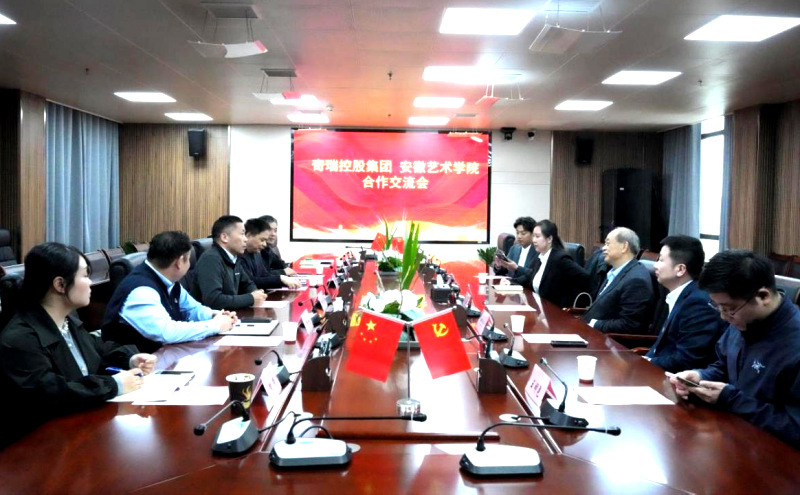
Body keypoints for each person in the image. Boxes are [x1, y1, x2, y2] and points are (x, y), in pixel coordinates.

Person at [0, 243, 156, 447]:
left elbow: (98, 349)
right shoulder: (20, 339)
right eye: (84, 275)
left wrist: (129, 359)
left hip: (80, 432)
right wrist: (114, 384)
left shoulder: (67, 322)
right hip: (40, 448)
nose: (90, 283)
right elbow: (53, 394)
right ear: (60, 285)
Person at [670, 250, 800, 449]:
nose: (723, 317)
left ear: (763, 296)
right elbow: (724, 366)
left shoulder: (793, 343)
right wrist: (700, 376)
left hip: (775, 454)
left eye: (728, 308)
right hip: (733, 437)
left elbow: (795, 427)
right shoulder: (743, 320)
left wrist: (731, 399)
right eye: (718, 307)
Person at [102, 231, 237, 353]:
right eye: (188, 260)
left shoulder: (169, 282)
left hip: (162, 356)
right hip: (132, 365)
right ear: (179, 262)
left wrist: (214, 315)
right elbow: (166, 332)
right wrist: (215, 326)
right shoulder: (141, 291)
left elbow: (191, 309)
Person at [645, 236, 725, 372]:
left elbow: (687, 360)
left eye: (661, 260)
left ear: (681, 269)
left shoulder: (698, 303)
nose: (655, 265)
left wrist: (646, 362)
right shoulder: (682, 294)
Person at [582, 227, 654, 334]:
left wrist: (593, 324)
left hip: (606, 341)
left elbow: (629, 325)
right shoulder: (614, 272)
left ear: (624, 247)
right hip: (591, 333)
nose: (603, 248)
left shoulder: (636, 280)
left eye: (608, 244)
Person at [191, 215, 268, 310]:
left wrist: (256, 293)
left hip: (230, 314)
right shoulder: (210, 259)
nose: (246, 239)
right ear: (224, 237)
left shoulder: (234, 257)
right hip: (211, 317)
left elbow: (247, 284)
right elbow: (214, 300)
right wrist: (251, 298)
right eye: (242, 234)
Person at [516, 220, 589, 308]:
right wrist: (510, 282)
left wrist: (570, 303)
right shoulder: (541, 257)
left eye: (537, 236)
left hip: (555, 310)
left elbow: (585, 277)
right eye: (533, 236)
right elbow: (529, 277)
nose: (534, 240)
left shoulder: (560, 259)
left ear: (549, 239)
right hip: (540, 308)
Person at [240, 218, 301, 290]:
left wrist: (281, 278)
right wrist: (280, 279)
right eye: (262, 240)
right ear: (248, 235)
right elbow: (249, 282)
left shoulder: (256, 253)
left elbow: (264, 274)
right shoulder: (239, 255)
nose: (264, 244)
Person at [493, 216, 537, 283]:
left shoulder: (538, 251)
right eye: (517, 233)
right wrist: (499, 266)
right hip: (511, 285)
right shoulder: (514, 248)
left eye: (523, 233)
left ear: (533, 234)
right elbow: (506, 270)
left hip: (526, 287)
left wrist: (517, 268)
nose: (519, 236)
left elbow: (534, 275)